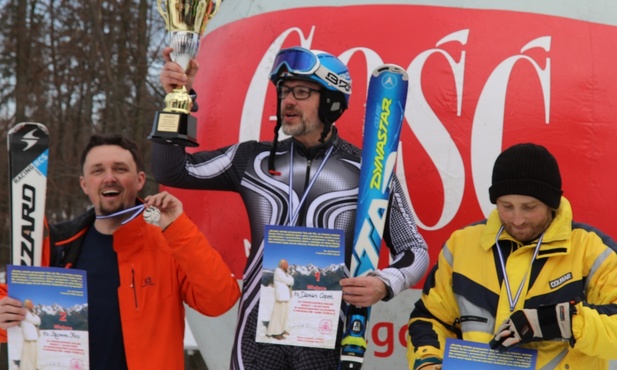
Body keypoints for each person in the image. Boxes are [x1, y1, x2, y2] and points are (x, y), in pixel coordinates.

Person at [153, 46, 430, 369]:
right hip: (257, 339)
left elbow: (414, 249)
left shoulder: (369, 172)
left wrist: (385, 283)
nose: (288, 100)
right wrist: (178, 102)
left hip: (327, 339)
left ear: (331, 101)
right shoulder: (252, 160)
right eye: (284, 91)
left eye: (301, 92)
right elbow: (172, 170)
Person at [0, 134, 241, 370]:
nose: (109, 178)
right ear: (84, 183)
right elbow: (10, 304)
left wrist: (177, 226)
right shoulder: (59, 245)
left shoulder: (169, 242)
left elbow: (219, 300)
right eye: (97, 170)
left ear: (139, 180)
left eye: (120, 169)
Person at [406, 143, 617, 370]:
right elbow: (430, 319)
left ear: (551, 203)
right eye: (506, 206)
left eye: (529, 207)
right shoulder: (462, 244)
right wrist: (428, 361)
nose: (517, 220)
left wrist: (560, 322)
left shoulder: (592, 250)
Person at [266, 259, 294, 340]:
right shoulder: (278, 271)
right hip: (281, 297)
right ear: (281, 265)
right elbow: (289, 281)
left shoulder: (285, 272)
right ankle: (276, 332)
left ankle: (281, 330)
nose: (287, 265)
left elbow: (291, 281)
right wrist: (289, 279)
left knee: (284, 314)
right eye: (286, 264)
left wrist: (289, 278)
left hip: (285, 296)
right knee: (279, 314)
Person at [18, 299, 40, 370]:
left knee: (32, 353)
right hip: (29, 336)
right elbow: (36, 321)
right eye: (31, 304)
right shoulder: (25, 313)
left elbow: (38, 321)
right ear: (28, 305)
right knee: (29, 354)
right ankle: (28, 368)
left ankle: (32, 367)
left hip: (31, 336)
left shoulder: (30, 313)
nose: (33, 305)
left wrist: (34, 315)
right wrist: (34, 316)